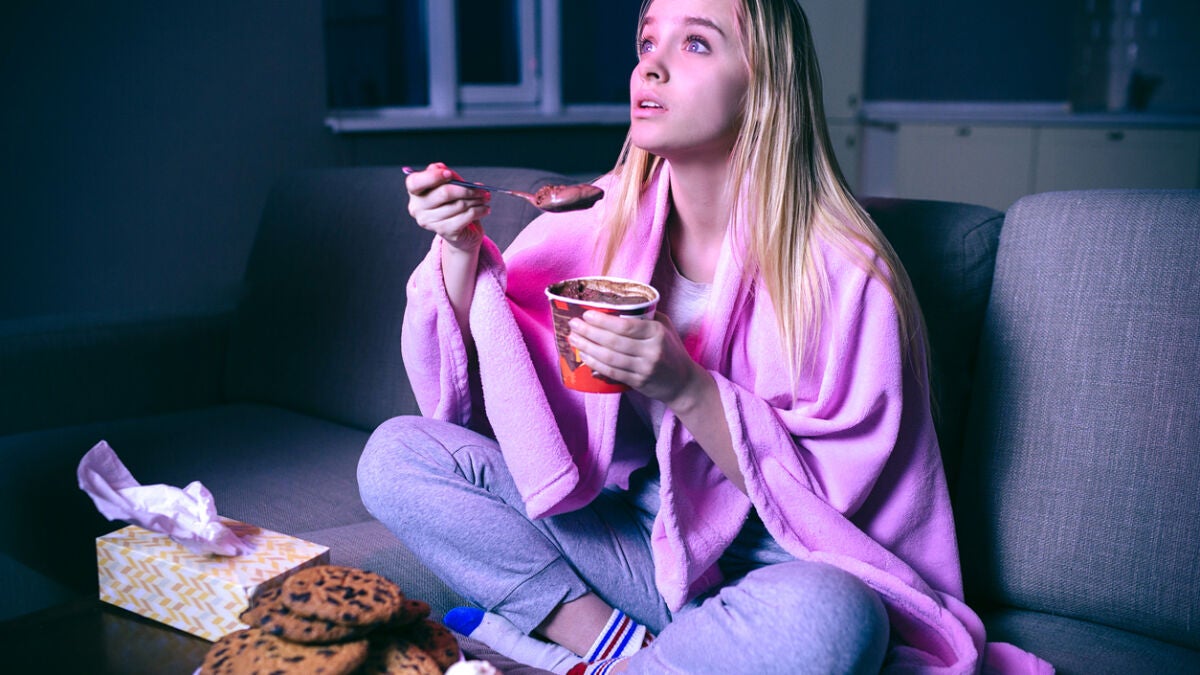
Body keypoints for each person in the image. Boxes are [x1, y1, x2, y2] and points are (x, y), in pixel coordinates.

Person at [359, 0, 1051, 673]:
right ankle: (609, 647)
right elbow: (488, 391)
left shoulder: (846, 272)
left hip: (785, 567)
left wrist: (686, 386)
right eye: (647, 42)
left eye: (694, 43)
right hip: (641, 547)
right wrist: (461, 248)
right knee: (397, 455)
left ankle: (577, 655)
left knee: (835, 615)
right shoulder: (597, 226)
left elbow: (834, 504)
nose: (651, 67)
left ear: (765, 86)